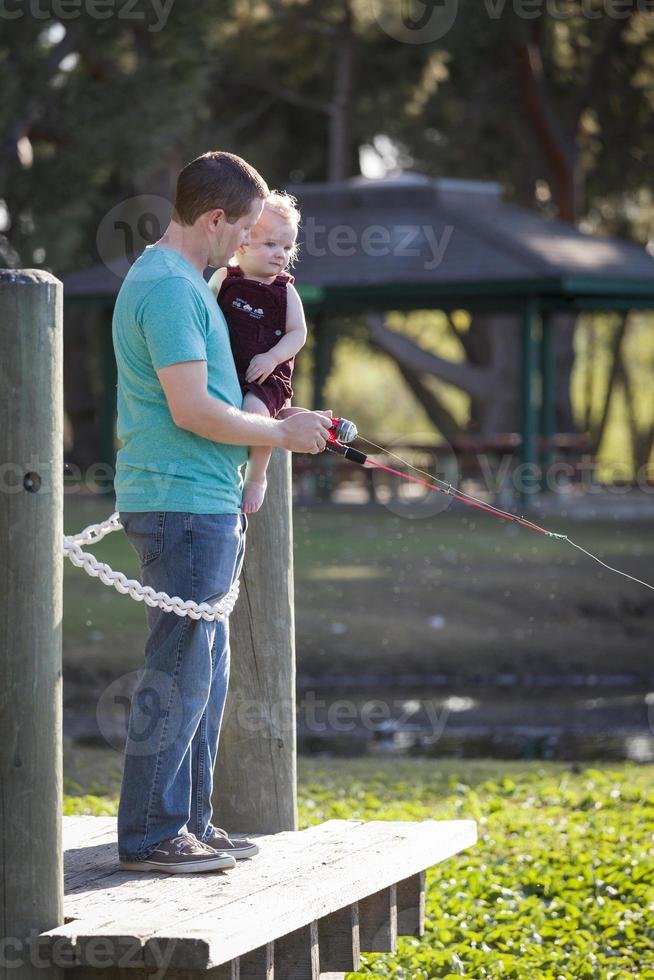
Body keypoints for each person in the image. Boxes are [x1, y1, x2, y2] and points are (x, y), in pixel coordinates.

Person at [112, 151, 332, 873]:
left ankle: (190, 825)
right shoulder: (172, 290)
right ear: (215, 219)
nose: (246, 241)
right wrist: (279, 433)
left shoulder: (189, 283)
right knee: (179, 673)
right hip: (179, 501)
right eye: (241, 227)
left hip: (206, 501)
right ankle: (150, 835)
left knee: (205, 674)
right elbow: (193, 408)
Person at [208, 191, 305, 514]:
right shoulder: (224, 278)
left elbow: (298, 334)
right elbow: (205, 313)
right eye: (271, 245)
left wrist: (272, 358)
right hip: (227, 366)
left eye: (287, 247)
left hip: (266, 375)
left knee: (255, 412)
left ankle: (257, 476)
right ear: (242, 243)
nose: (281, 254)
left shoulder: (285, 290)